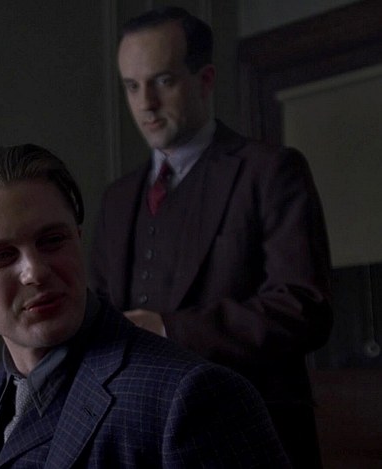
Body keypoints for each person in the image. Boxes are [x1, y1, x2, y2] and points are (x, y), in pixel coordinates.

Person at [0, 144, 290, 468]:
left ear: (77, 238)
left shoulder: (190, 397)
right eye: (1, 256)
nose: (35, 271)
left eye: (52, 240)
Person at [90, 6, 333, 468]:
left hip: (254, 438)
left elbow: (304, 308)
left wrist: (168, 329)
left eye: (163, 81)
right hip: (139, 438)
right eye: (132, 86)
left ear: (205, 80)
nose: (146, 103)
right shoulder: (118, 198)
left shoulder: (270, 171)